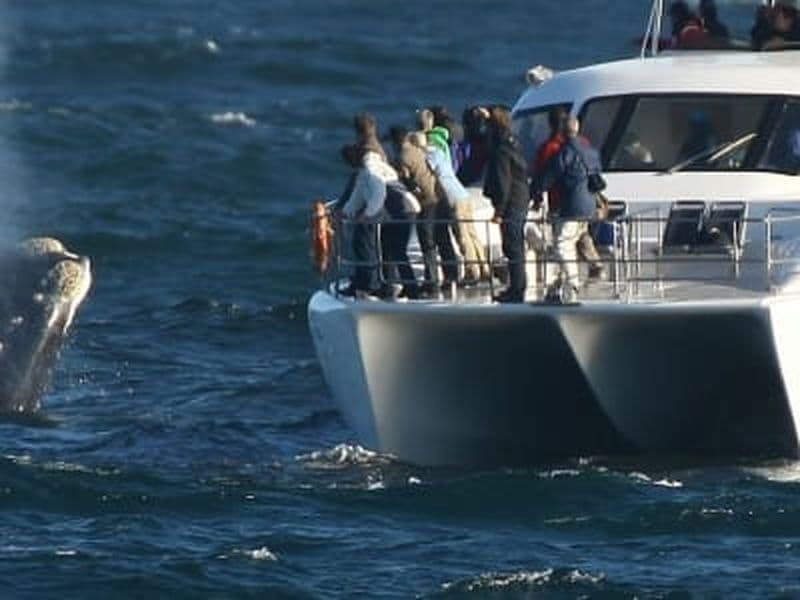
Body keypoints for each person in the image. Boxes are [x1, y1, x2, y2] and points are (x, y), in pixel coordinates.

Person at [533, 117, 602, 304]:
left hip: (572, 206)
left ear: (563, 131)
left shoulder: (565, 153)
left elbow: (548, 178)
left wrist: (536, 193)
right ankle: (562, 282)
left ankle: (572, 283)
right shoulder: (591, 152)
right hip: (589, 206)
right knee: (573, 242)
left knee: (562, 245)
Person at [426, 126, 489, 284]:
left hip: (453, 198)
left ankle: (472, 272)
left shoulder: (430, 155)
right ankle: (484, 268)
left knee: (462, 236)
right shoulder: (442, 153)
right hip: (463, 194)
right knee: (472, 233)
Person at [482, 105, 530, 303]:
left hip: (511, 202)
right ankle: (518, 286)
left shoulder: (502, 150)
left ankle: (517, 289)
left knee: (512, 246)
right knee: (515, 245)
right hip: (520, 198)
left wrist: (499, 210)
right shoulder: (512, 142)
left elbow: (503, 182)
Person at [387, 125, 441, 297]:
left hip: (424, 201)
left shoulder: (402, 158)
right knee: (429, 242)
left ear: (396, 141)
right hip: (433, 196)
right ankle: (430, 281)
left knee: (426, 242)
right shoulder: (417, 151)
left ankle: (430, 284)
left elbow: (406, 180)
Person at [340, 144, 397, 298]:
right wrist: (346, 212)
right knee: (378, 248)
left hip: (387, 208)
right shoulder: (367, 169)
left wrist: (367, 214)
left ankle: (370, 284)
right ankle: (375, 283)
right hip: (388, 209)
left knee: (364, 244)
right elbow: (358, 195)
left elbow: (379, 192)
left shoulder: (371, 170)